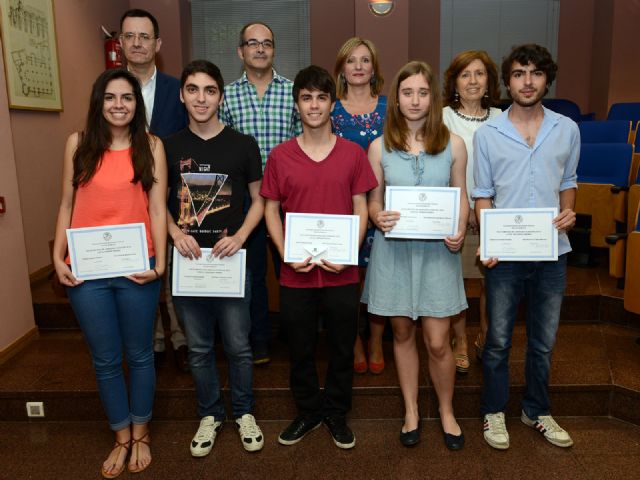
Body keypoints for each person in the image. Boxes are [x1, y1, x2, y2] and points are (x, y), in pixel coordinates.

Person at [52, 68, 167, 477]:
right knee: (104, 359)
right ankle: (120, 436)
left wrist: (160, 264)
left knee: (139, 355)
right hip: (87, 271)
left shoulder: (151, 146)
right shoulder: (77, 144)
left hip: (138, 269)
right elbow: (67, 203)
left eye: (127, 98)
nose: (119, 105)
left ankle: (141, 432)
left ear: (137, 105)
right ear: (99, 102)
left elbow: (156, 208)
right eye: (110, 98)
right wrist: (57, 256)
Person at [261, 65, 377, 449]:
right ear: (297, 105)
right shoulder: (280, 156)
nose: (314, 105)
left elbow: (361, 207)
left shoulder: (352, 154)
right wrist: (285, 255)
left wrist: (349, 253)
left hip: (342, 272)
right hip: (296, 274)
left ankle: (337, 412)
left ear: (331, 104)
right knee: (300, 346)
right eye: (306, 97)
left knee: (344, 345)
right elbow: (270, 210)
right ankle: (309, 411)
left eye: (321, 97)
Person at [474, 44, 578, 450]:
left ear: (547, 79)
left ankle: (536, 409)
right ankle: (493, 411)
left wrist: (569, 211)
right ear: (508, 81)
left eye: (535, 73)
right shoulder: (489, 133)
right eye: (519, 73)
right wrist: (490, 238)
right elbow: (482, 195)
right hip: (505, 255)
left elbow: (569, 181)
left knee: (543, 341)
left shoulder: (566, 128)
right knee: (498, 339)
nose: (528, 81)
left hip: (553, 250)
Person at [362, 61, 468, 450]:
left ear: (433, 97)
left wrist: (460, 228)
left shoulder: (454, 144)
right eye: (407, 92)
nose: (415, 100)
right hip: (394, 253)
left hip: (439, 254)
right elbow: (373, 201)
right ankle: (410, 410)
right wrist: (378, 216)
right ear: (396, 98)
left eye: (423, 92)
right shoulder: (379, 146)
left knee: (438, 341)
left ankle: (446, 410)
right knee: (402, 332)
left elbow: (462, 197)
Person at [165, 60, 265, 457]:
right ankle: (210, 414)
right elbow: (157, 204)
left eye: (209, 90)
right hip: (188, 265)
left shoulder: (243, 145)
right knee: (199, 348)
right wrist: (175, 234)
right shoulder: (167, 147)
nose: (201, 98)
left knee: (239, 346)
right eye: (193, 89)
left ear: (221, 96)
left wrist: (241, 237)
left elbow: (260, 201)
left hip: (230, 263)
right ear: (182, 95)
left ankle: (243, 412)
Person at [220, 22, 302, 364]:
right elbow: (223, 146)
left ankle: (296, 334)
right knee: (251, 271)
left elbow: (302, 142)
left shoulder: (293, 91)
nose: (260, 49)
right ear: (241, 51)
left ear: (274, 50)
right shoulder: (226, 94)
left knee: (292, 265)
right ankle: (259, 340)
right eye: (252, 43)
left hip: (289, 197)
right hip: (248, 200)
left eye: (266, 43)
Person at [120, 8, 189, 372]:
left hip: (172, 194)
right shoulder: (110, 89)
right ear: (120, 42)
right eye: (129, 36)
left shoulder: (176, 89)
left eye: (144, 36)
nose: (137, 43)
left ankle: (180, 338)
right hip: (125, 198)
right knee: (138, 271)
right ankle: (153, 342)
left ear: (157, 44)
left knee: (173, 270)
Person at [442, 50, 502, 373]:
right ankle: (460, 339)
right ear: (454, 82)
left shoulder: (502, 119)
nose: (473, 81)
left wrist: (490, 211)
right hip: (458, 214)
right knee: (459, 282)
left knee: (492, 282)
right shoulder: (443, 118)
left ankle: (486, 337)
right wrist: (462, 209)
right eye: (465, 74)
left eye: (479, 74)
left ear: (489, 80)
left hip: (495, 214)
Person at [331, 37, 387, 375]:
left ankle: (376, 339)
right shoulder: (330, 107)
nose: (358, 67)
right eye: (351, 61)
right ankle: (352, 339)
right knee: (349, 278)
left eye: (365, 60)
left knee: (378, 276)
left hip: (382, 204)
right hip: (342, 206)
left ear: (374, 67)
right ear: (341, 67)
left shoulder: (388, 107)